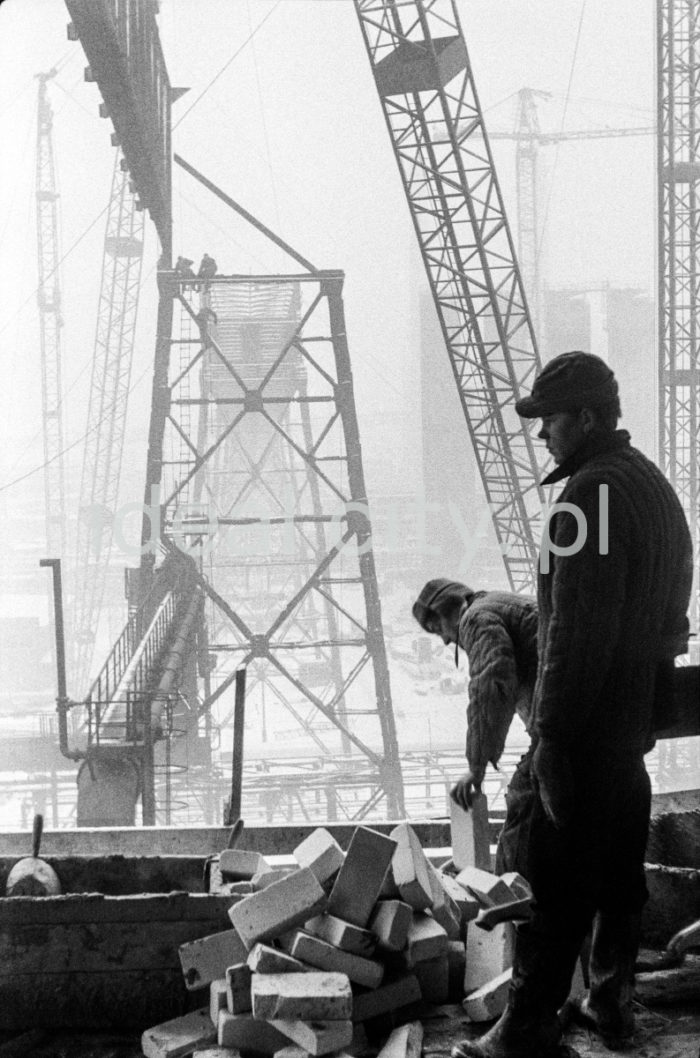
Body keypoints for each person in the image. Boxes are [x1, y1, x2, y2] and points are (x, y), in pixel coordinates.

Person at [451, 352, 693, 1058]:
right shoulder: (652, 488)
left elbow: (574, 633)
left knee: (552, 873)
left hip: (585, 729)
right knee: (619, 868)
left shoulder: (583, 501)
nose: (541, 435)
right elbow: (672, 612)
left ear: (586, 418)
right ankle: (611, 1001)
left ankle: (526, 1024)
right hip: (630, 726)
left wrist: (550, 735)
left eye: (550, 419)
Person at [412, 579, 538, 872]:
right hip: (590, 716)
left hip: (569, 723)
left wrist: (476, 765)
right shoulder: (495, 605)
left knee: (526, 800)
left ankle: (510, 898)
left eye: (437, 629)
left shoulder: (476, 619)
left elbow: (490, 682)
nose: (444, 640)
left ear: (448, 610)